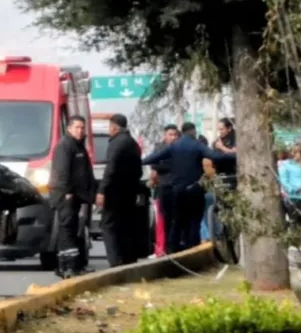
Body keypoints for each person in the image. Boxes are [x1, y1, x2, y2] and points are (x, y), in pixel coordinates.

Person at [142, 122, 230, 254]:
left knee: (177, 221)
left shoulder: (173, 147)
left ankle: (172, 250)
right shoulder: (197, 145)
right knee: (194, 221)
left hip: (178, 189)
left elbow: (152, 158)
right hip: (195, 189)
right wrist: (235, 155)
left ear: (181, 132)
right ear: (193, 131)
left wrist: (137, 161)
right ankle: (192, 249)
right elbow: (216, 156)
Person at [50, 116, 95, 277]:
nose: (80, 130)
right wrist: (67, 192)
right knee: (67, 230)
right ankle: (67, 267)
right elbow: (62, 171)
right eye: (77, 127)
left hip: (77, 196)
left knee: (74, 230)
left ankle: (75, 265)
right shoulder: (65, 145)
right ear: (69, 128)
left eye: (82, 127)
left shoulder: (78, 146)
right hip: (66, 196)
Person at [96, 114, 143, 267]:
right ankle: (129, 259)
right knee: (126, 226)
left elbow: (111, 169)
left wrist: (102, 190)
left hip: (115, 192)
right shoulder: (132, 143)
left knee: (108, 225)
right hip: (130, 192)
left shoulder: (116, 143)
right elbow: (139, 170)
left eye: (109, 127)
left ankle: (115, 261)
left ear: (114, 127)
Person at [147, 124, 179, 257]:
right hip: (164, 186)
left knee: (176, 218)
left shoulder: (180, 148)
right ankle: (163, 247)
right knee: (164, 218)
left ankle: (174, 246)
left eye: (175, 135)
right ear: (165, 136)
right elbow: (154, 164)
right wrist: (169, 165)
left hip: (177, 186)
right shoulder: (159, 148)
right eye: (170, 135)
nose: (173, 137)